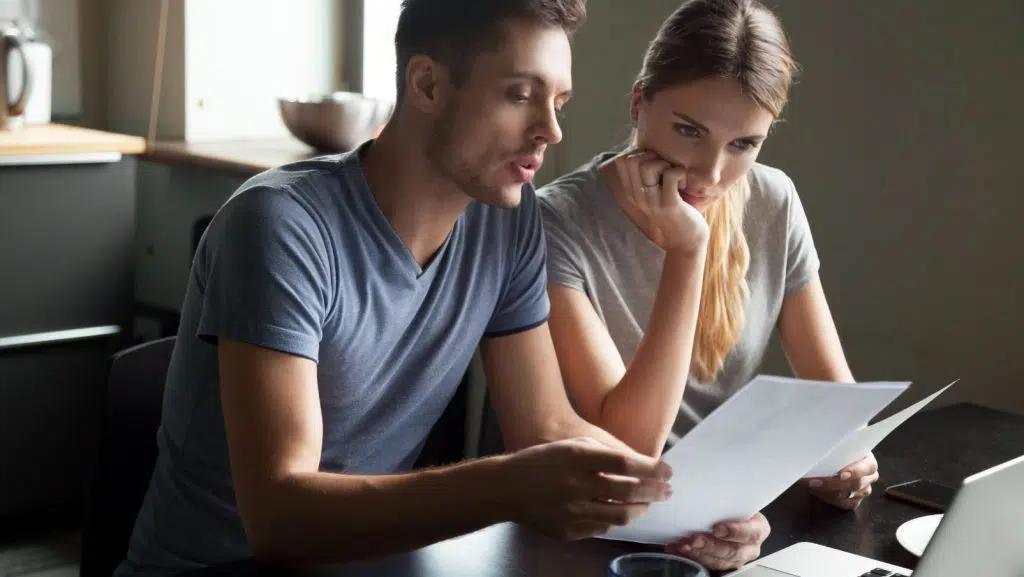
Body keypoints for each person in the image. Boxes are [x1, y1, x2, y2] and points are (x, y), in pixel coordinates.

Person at [113, 1, 678, 575]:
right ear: (427, 84)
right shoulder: (280, 225)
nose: (550, 130)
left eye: (557, 102)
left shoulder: (509, 222)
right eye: (519, 95)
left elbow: (547, 429)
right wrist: (505, 485)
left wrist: (687, 513)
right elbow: (279, 519)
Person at [537, 0, 879, 571]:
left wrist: (848, 464)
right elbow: (631, 445)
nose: (710, 173)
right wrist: (688, 250)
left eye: (744, 144)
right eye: (689, 131)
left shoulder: (773, 201)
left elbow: (838, 405)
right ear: (639, 102)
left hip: (716, 517)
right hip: (583, 533)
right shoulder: (555, 220)